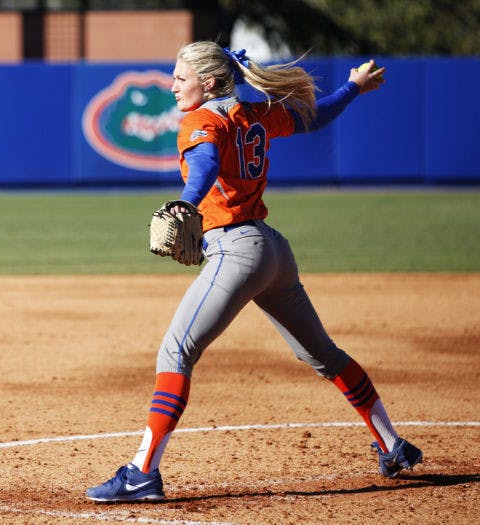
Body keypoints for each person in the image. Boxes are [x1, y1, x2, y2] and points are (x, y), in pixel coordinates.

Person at [85, 41, 423, 503]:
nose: (172, 85)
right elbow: (314, 116)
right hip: (272, 251)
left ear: (207, 82)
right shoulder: (253, 112)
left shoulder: (202, 120)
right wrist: (353, 88)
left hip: (235, 253)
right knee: (322, 353)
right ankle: (391, 444)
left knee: (175, 351)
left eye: (180, 78)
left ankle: (142, 472)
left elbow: (203, 164)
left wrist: (187, 202)